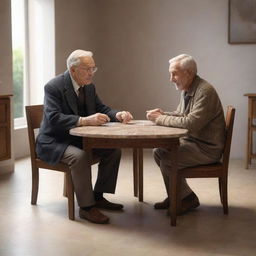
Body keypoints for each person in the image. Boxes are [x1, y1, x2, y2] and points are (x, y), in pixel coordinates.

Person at [36, 49, 133, 224]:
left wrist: (118, 114)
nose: (91, 73)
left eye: (93, 69)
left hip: (77, 138)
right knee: (79, 157)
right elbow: (54, 118)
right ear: (73, 70)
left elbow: (101, 108)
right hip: (53, 141)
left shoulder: (89, 86)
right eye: (87, 69)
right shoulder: (53, 86)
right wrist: (84, 120)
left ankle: (98, 196)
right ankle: (87, 208)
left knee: (113, 151)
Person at [146, 54, 225, 215]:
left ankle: (187, 199)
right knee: (158, 152)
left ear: (188, 73)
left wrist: (160, 119)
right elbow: (182, 115)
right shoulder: (188, 88)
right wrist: (162, 113)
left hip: (207, 149)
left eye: (174, 73)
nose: (171, 79)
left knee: (168, 160)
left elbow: (190, 124)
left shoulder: (205, 91)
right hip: (194, 143)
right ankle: (177, 196)